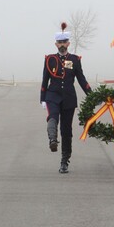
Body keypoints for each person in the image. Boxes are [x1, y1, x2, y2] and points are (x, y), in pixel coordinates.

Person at [40, 24, 92, 174]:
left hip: (69, 98)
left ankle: (64, 160)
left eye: (64, 42)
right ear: (56, 44)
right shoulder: (49, 59)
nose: (62, 45)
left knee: (66, 130)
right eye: (59, 43)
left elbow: (81, 79)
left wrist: (91, 94)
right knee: (52, 118)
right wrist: (43, 98)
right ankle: (52, 140)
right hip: (53, 96)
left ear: (68, 43)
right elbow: (45, 79)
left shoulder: (75, 59)